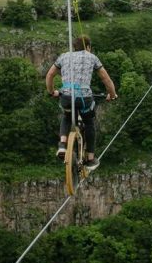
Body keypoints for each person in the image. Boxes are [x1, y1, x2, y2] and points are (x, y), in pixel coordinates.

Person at [45, 35, 118, 169]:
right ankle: (90, 158)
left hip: (66, 97)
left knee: (67, 116)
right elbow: (106, 79)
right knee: (89, 122)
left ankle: (62, 146)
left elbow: (49, 75)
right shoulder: (92, 57)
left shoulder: (64, 56)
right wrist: (112, 95)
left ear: (74, 47)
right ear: (88, 47)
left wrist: (51, 92)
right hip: (84, 99)